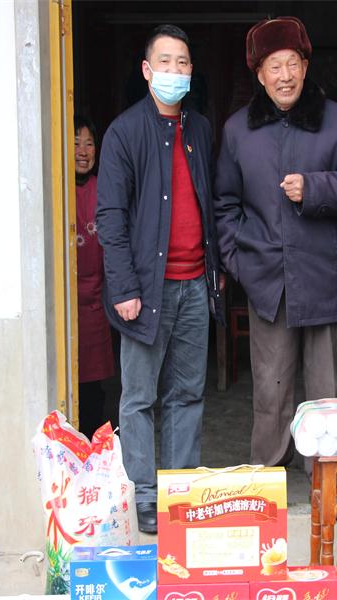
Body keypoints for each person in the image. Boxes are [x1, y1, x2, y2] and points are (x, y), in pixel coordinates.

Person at [215, 16, 337, 468]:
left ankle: (325, 480)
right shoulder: (238, 130)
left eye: (292, 64)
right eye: (274, 66)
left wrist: (314, 188)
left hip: (323, 275)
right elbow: (224, 204)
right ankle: (269, 481)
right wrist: (239, 262)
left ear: (305, 66)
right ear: (259, 74)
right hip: (267, 280)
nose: (284, 76)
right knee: (271, 390)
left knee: (326, 393)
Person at [96, 24, 223, 534]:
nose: (175, 71)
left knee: (187, 395)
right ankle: (145, 497)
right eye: (165, 62)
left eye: (183, 62)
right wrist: (124, 287)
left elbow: (209, 203)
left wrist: (215, 272)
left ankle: (179, 492)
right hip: (146, 291)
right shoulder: (124, 132)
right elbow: (110, 217)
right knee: (139, 399)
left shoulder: (200, 129)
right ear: (147, 71)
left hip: (194, 284)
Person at [74, 115, 115, 440]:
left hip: (97, 301)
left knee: (93, 387)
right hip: (67, 301)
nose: (83, 151)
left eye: (89, 144)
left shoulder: (104, 189)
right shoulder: (57, 190)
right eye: (76, 143)